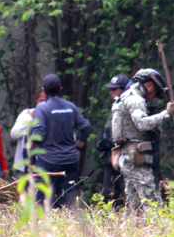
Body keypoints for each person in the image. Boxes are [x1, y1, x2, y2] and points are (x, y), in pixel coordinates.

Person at [111, 68, 174, 208]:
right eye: (155, 92)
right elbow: (142, 123)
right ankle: (159, 229)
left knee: (133, 207)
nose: (153, 97)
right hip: (136, 159)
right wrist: (166, 113)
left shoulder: (124, 97)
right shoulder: (136, 100)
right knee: (153, 205)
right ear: (149, 85)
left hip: (128, 157)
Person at [31, 73, 91, 208]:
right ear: (61, 88)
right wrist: (78, 147)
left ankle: (45, 228)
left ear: (44, 90)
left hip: (48, 162)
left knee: (44, 202)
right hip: (70, 161)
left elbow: (38, 134)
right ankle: (67, 228)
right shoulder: (70, 106)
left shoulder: (42, 107)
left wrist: (33, 145)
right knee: (67, 203)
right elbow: (86, 128)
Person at [96, 74, 131, 207]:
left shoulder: (129, 106)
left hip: (124, 159)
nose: (110, 92)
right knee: (108, 196)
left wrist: (112, 143)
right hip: (111, 159)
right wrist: (104, 143)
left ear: (124, 90)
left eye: (114, 89)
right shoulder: (115, 105)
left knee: (128, 196)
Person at [10, 86, 46, 172]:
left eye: (46, 101)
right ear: (35, 99)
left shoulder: (52, 115)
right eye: (41, 101)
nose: (44, 104)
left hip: (46, 163)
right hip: (28, 164)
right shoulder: (26, 113)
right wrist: (29, 118)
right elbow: (14, 134)